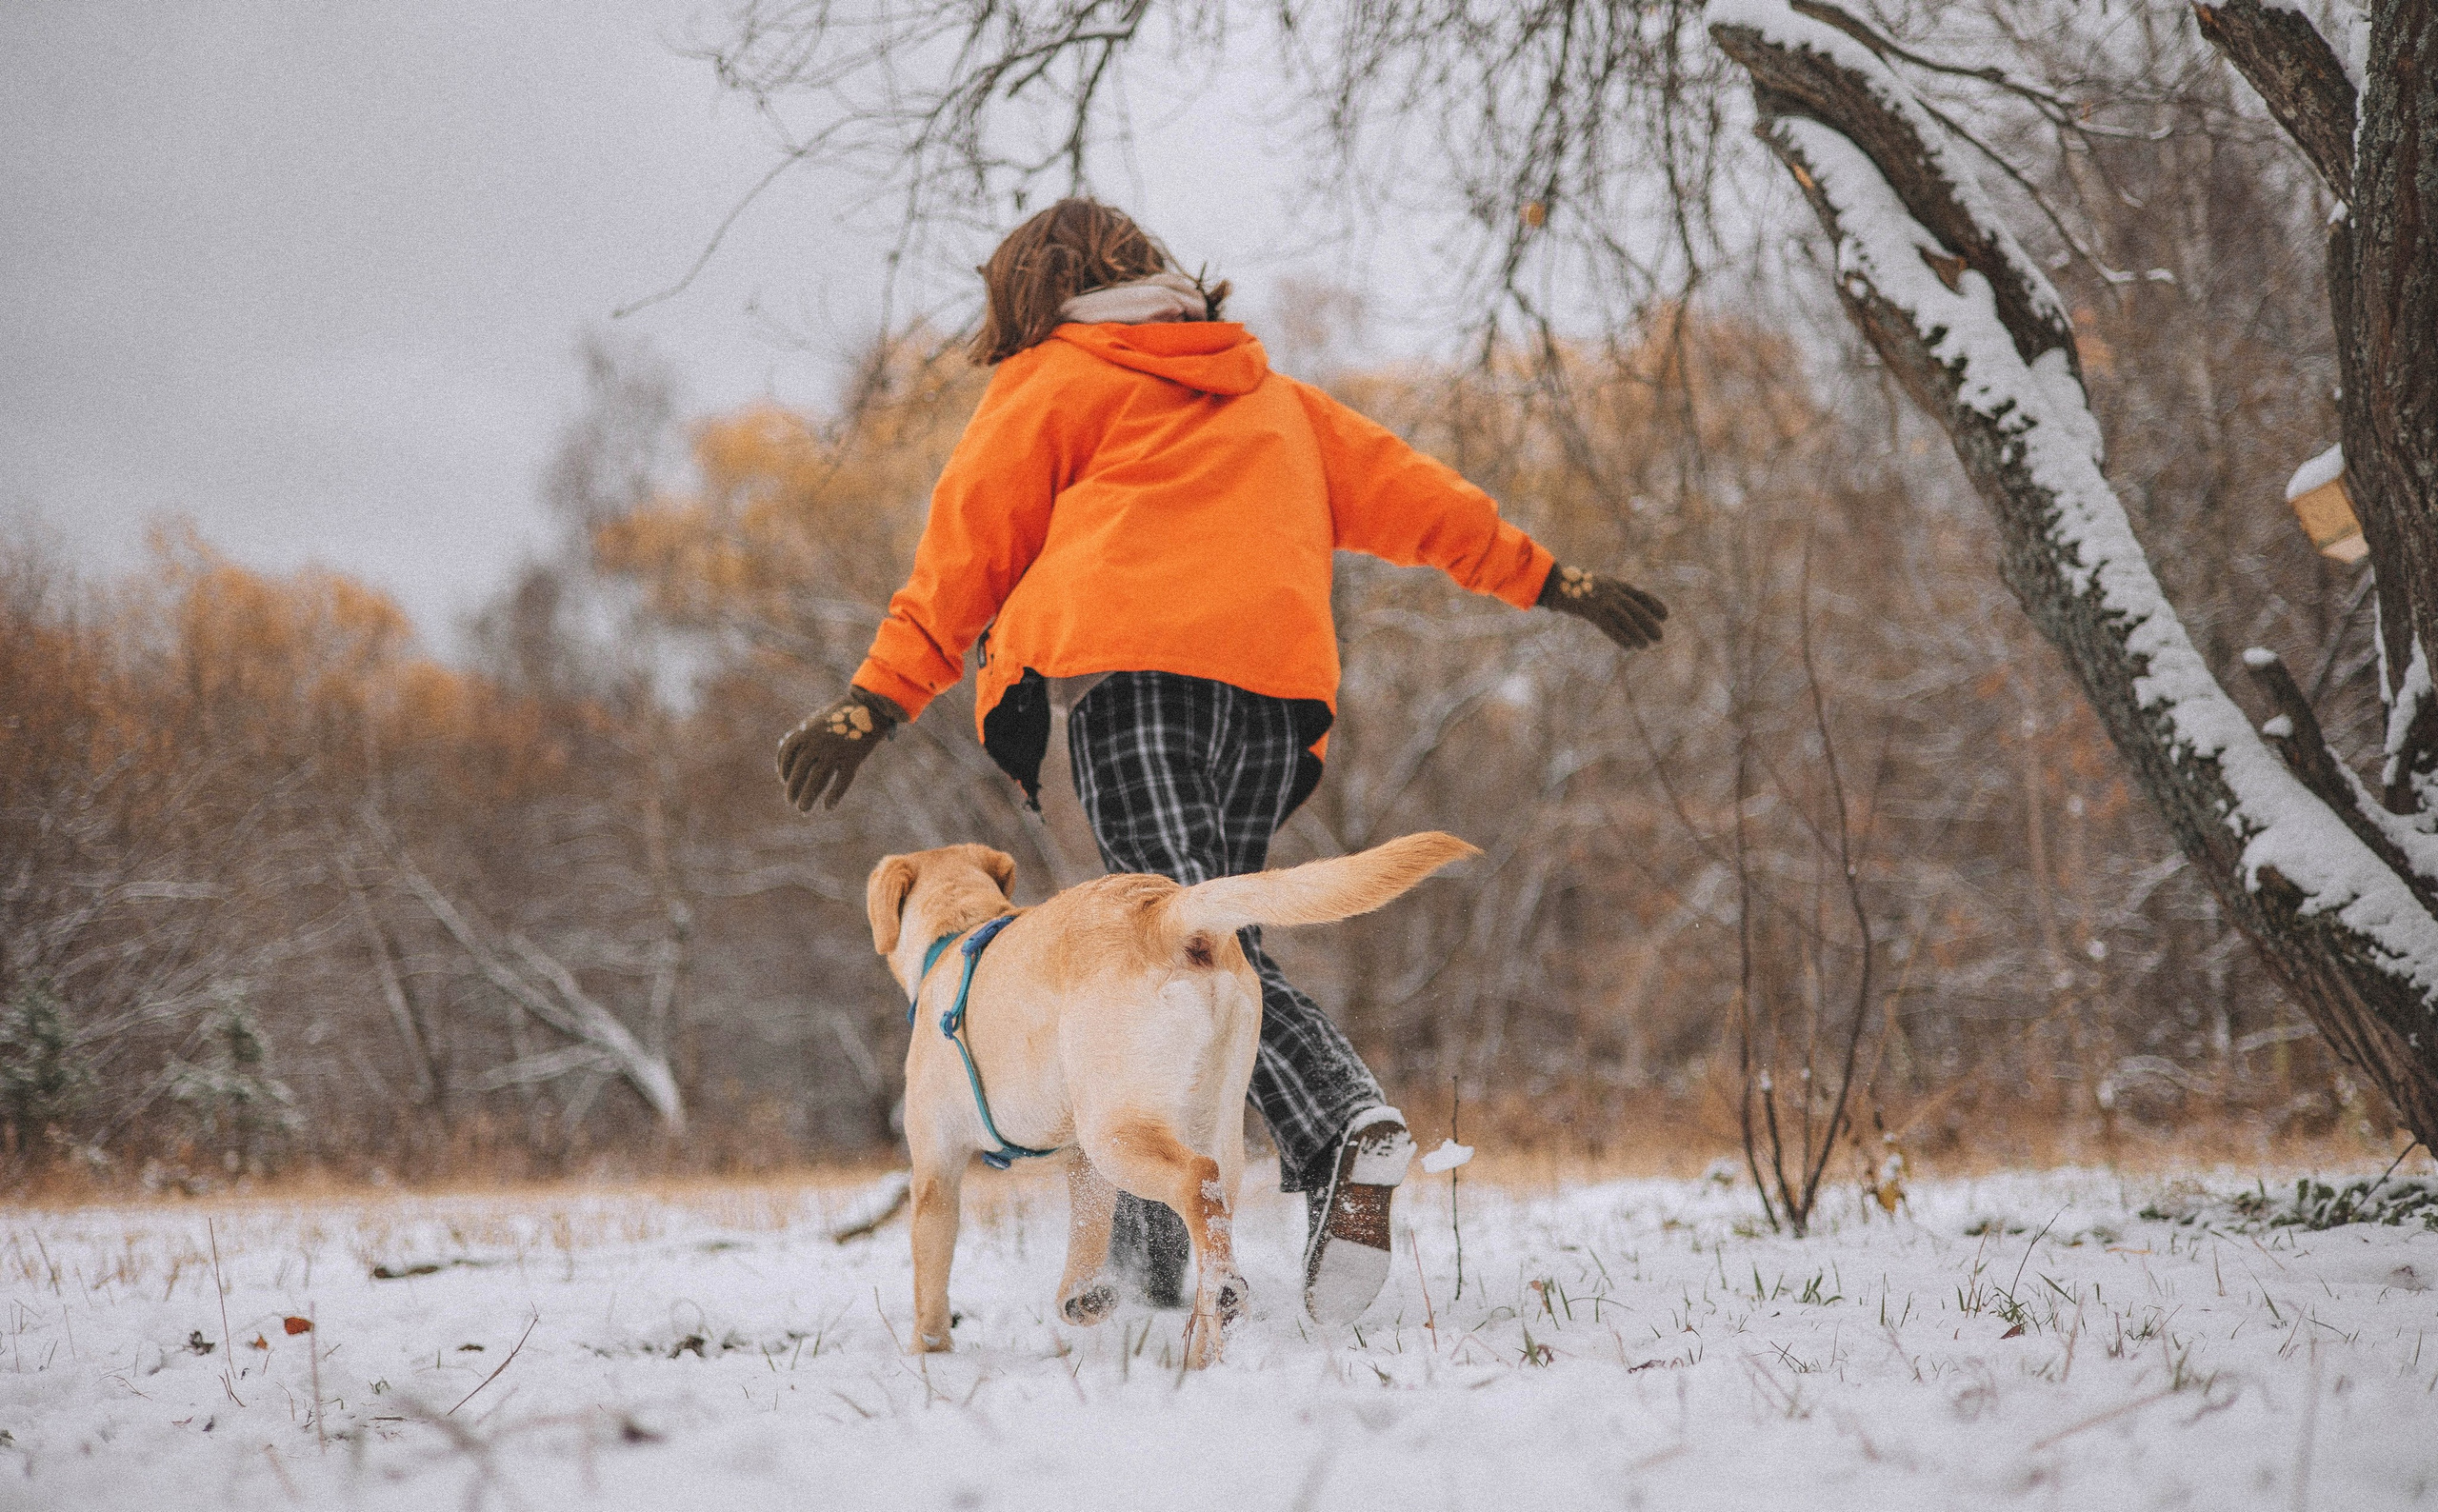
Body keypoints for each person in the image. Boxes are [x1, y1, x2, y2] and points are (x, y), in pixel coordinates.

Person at [777, 198, 1667, 1323]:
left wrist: (873, 700)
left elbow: (965, 556)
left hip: (1128, 681)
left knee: (1181, 934)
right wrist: (1548, 578)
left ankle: (1338, 1125)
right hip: (1270, 700)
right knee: (1185, 951)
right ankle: (1145, 1269)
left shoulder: (1053, 379)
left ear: (1033, 295)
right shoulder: (1271, 397)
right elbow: (1417, 497)